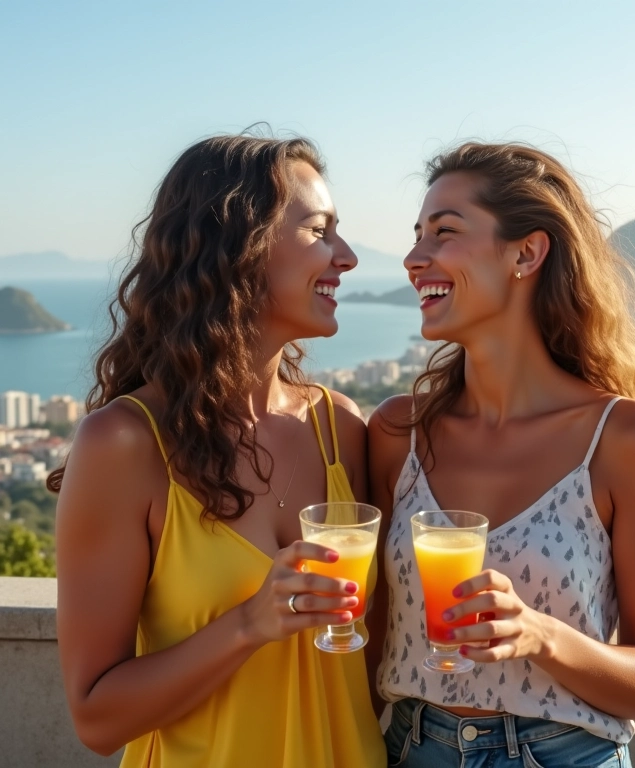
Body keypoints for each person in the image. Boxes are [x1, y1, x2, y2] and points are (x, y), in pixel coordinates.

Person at [50, 133, 386, 768]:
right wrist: (247, 625)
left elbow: (371, 655)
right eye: (320, 231)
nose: (346, 256)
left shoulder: (339, 428)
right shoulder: (125, 442)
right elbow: (96, 717)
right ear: (241, 246)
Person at [368, 142, 635, 767]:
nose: (413, 258)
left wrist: (540, 635)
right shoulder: (396, 434)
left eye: (444, 232)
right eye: (417, 236)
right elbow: (368, 647)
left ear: (526, 252)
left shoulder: (627, 440)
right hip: (409, 749)